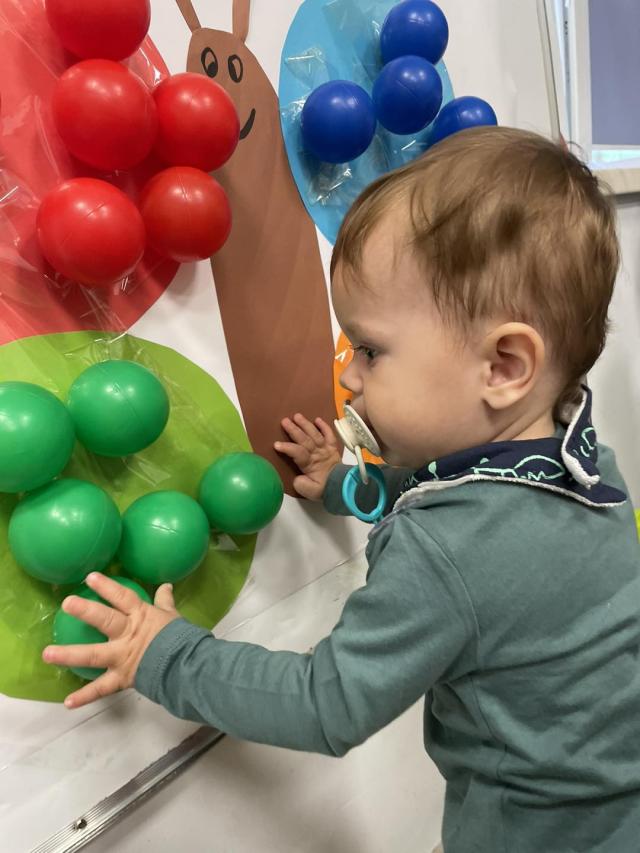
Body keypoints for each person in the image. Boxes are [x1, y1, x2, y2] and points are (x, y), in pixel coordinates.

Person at [43, 126, 640, 852]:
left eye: (371, 349)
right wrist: (347, 484)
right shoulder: (581, 462)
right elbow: (466, 501)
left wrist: (163, 654)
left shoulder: (445, 548)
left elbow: (326, 703)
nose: (350, 376)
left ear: (504, 366)